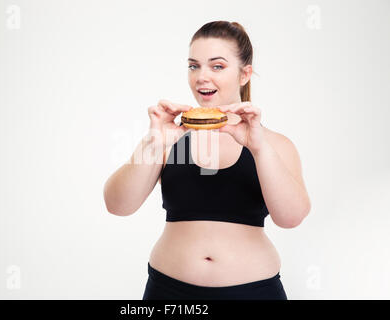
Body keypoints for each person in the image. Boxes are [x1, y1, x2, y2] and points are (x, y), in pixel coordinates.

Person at [103, 21, 311, 300]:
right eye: (193, 66)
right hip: (169, 292)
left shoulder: (273, 144)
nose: (201, 76)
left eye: (217, 66)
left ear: (244, 74)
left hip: (253, 293)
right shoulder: (168, 138)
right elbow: (118, 206)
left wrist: (259, 150)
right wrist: (154, 145)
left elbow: (291, 218)